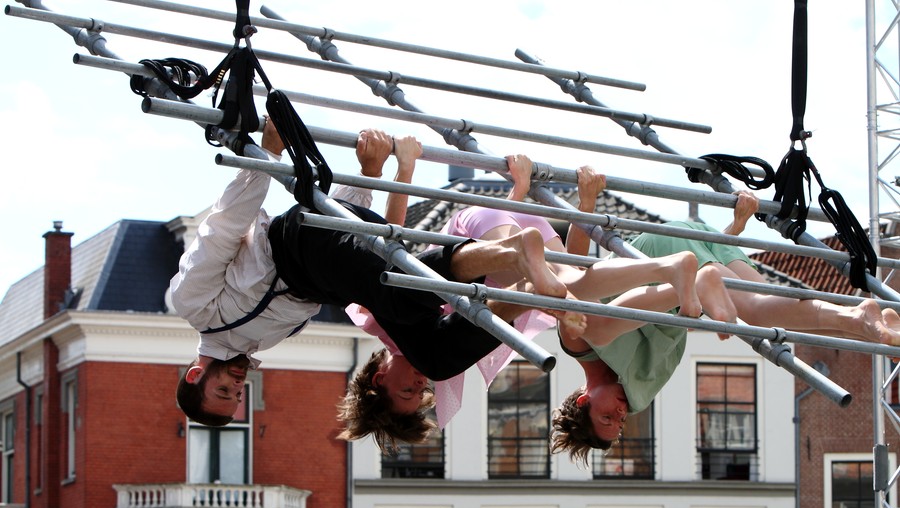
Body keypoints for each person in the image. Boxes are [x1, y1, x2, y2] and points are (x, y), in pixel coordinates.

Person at [171, 119, 568, 450]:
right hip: (329, 266)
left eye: (224, 391)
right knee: (436, 359)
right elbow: (344, 245)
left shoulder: (195, 306)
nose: (238, 387)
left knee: (397, 299)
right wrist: (370, 176)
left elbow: (223, 228)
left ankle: (510, 254)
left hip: (294, 244)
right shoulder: (263, 342)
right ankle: (522, 288)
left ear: (195, 375)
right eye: (237, 397)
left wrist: (267, 154)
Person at [340, 154, 706, 438]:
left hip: (476, 232)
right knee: (570, 281)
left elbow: (391, 241)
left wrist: (405, 167)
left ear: (378, 378)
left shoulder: (382, 322)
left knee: (559, 288)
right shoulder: (443, 357)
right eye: (421, 393)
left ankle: (658, 273)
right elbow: (514, 290)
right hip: (517, 233)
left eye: (408, 390)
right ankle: (666, 269)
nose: (422, 384)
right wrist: (524, 192)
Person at [550, 189, 900, 466]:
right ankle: (857, 317)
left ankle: (698, 283)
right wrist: (733, 230)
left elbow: (575, 272)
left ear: (584, 399)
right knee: (760, 311)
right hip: (702, 246)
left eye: (608, 415)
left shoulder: (578, 346)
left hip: (663, 253)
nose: (622, 412)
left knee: (589, 326)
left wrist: (587, 200)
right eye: (621, 422)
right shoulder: (638, 381)